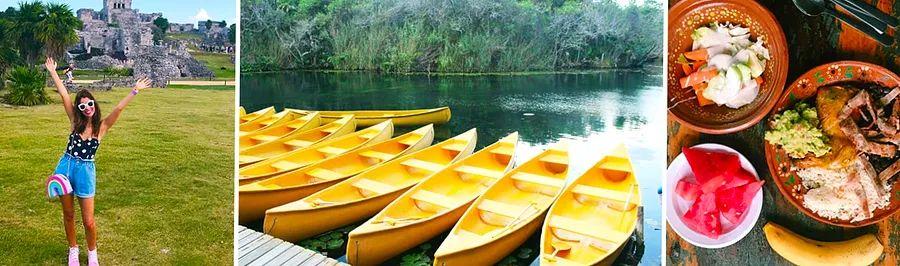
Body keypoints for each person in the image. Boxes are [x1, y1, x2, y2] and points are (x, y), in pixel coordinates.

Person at [44, 57, 151, 266]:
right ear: (79, 109)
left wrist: (135, 90)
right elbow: (65, 95)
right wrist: (53, 71)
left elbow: (118, 110)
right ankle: (73, 249)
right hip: (66, 167)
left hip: (85, 171)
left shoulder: (101, 128)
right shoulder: (75, 121)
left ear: (94, 104)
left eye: (90, 104)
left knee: (89, 221)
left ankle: (92, 253)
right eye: (82, 106)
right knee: (68, 214)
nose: (87, 108)